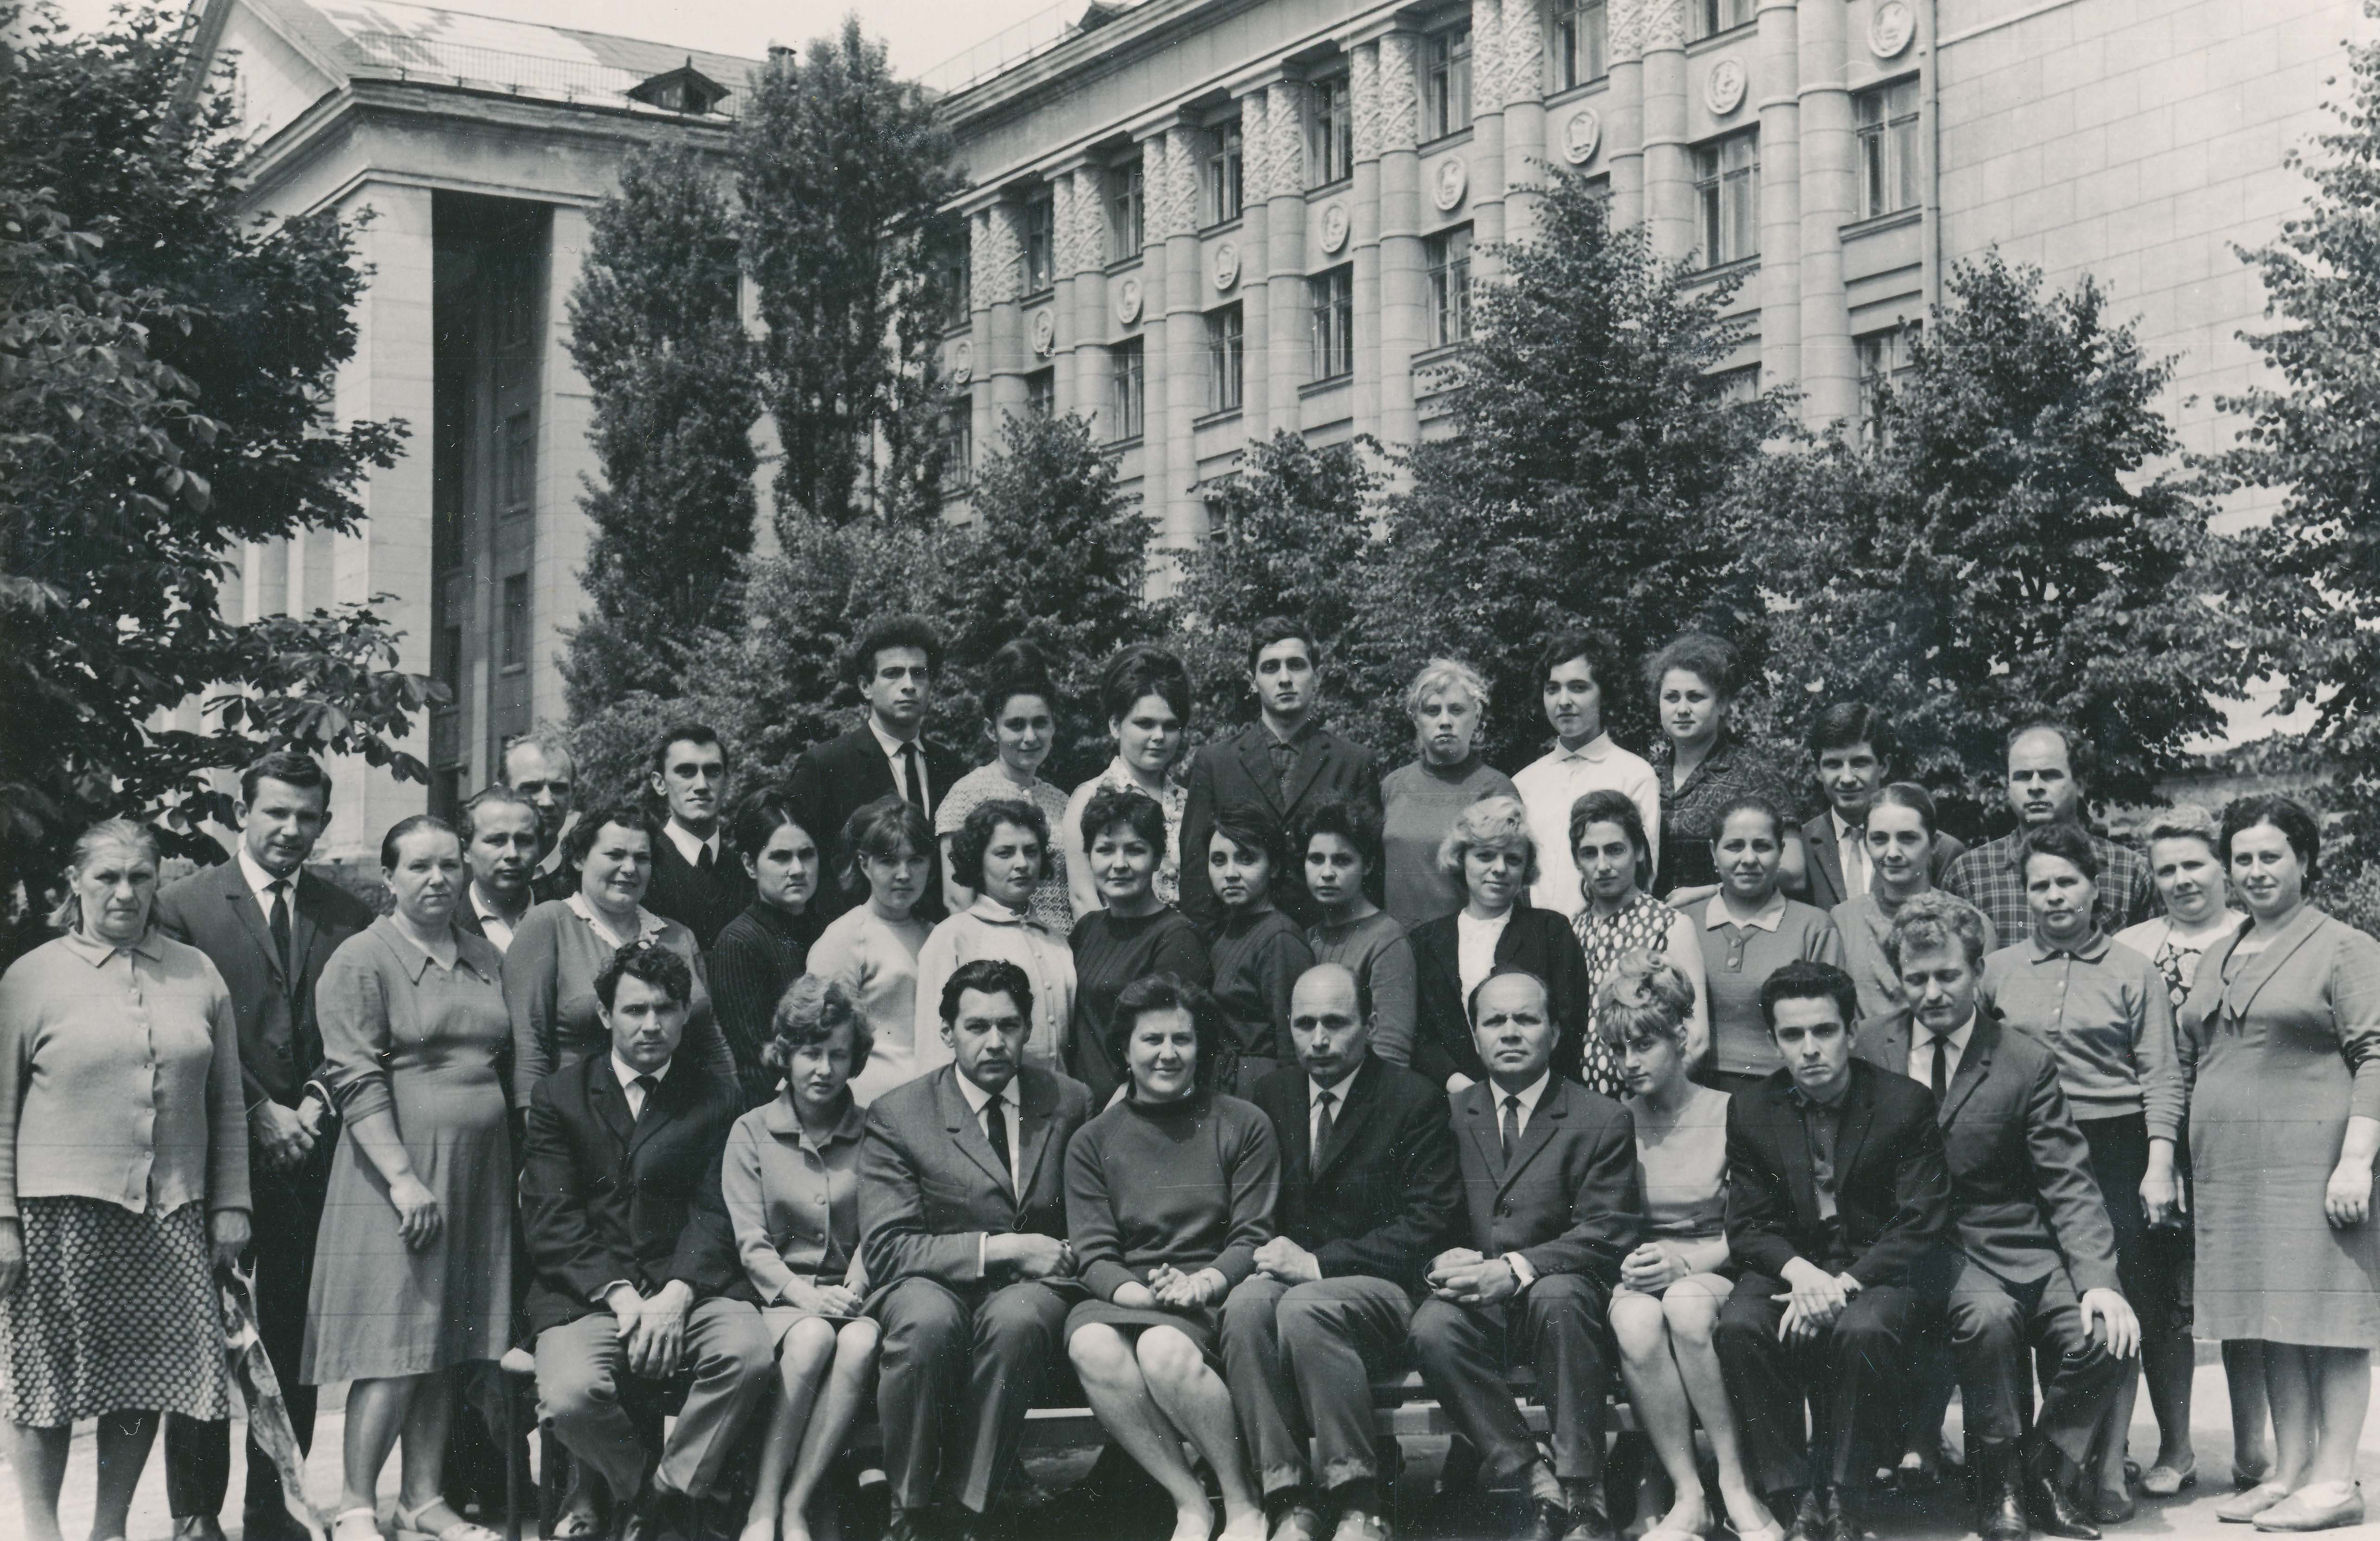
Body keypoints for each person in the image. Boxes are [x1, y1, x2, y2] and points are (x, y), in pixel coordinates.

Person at [0, 821, 250, 1541]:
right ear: (75, 882)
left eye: (140, 877)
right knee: (43, 1382)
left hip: (170, 1209)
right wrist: (3, 1222)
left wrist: (231, 1203)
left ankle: (109, 1530)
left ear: (158, 882)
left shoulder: (197, 973)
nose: (124, 892)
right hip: (56, 1215)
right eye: (107, 877)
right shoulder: (31, 978)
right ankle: (42, 1531)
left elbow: (227, 1103)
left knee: (146, 1378)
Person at [1860, 893, 2135, 1541]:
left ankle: (2039, 1469)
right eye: (1916, 978)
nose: (1932, 993)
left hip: (2013, 1241)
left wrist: (2098, 1280)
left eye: (1947, 975)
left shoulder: (2022, 1058)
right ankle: (2001, 1491)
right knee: (1987, 1318)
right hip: (1915, 1248)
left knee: (2107, 1335)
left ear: (1977, 971)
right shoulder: (1871, 1047)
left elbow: (2067, 1180)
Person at [153, 751, 374, 1541]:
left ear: (324, 822)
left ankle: (273, 1505)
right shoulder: (182, 907)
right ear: (244, 811)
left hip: (311, 1155)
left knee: (292, 1334)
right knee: (205, 1333)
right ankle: (195, 1512)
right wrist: (258, 1110)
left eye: (306, 816)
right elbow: (179, 1025)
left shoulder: (349, 914)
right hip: (213, 1152)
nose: (290, 829)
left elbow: (360, 1026)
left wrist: (311, 1103)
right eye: (275, 812)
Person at [301, 816, 513, 1541]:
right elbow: (355, 1076)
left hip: (477, 1175)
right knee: (392, 1346)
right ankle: (357, 1504)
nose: (438, 879)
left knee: (445, 1345)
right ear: (388, 878)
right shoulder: (363, 958)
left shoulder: (484, 956)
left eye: (450, 865)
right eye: (419, 866)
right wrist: (401, 1178)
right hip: (395, 1173)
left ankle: (421, 1500)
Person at [522, 940, 775, 1541]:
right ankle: (650, 1498)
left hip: (691, 1285)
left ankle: (668, 1490)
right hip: (589, 1293)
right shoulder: (560, 1096)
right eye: (634, 1010)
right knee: (569, 1395)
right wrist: (620, 1296)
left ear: (685, 1014)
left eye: (665, 1009)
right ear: (605, 1015)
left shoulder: (718, 1096)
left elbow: (718, 1211)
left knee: (748, 1356)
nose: (651, 1025)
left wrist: (678, 1293)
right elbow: (552, 1218)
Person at [2181, 795, 2380, 1533]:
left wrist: (2355, 1161)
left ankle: (2335, 1480)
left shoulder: (2344, 946)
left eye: (2271, 856)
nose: (2255, 870)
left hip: (2313, 1160)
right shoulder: (2219, 951)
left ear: (2304, 861)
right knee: (2272, 1320)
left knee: (2330, 1317)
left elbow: (2375, 1054)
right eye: (2242, 858)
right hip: (2234, 1169)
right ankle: (2290, 1469)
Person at [1979, 823, 2184, 1523]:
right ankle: (2043, 1466)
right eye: (2039, 885)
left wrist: (2159, 1163)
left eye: (2066, 881)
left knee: (2115, 1306)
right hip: (2020, 1149)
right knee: (2043, 1305)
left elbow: (2160, 1073)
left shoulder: (2133, 969)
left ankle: (2107, 1463)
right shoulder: (1998, 969)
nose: (2054, 895)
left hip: (2114, 1147)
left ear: (2095, 888)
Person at [1222, 963, 1464, 1541]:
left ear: (1371, 1024)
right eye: (1304, 1024)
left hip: (1384, 1288)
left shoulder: (1413, 1098)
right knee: (1244, 1308)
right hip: (1290, 1283)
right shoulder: (1272, 1094)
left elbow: (1429, 1223)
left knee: (1307, 1306)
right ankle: (1288, 1498)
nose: (1319, 1040)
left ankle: (1359, 1501)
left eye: (1336, 1023)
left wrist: (1319, 1266)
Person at [859, 959, 1096, 1541]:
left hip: (1033, 1290)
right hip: (931, 1283)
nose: (995, 1042)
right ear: (947, 1032)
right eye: (976, 1026)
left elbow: (1094, 1214)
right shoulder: (900, 1114)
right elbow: (887, 1248)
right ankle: (911, 1510)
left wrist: (1059, 1254)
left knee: (1018, 1320)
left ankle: (970, 1511)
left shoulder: (1069, 1102)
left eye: (1009, 1026)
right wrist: (1005, 1248)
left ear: (1028, 1030)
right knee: (926, 1323)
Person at [1712, 960, 1949, 1541]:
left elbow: (1919, 1222)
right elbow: (1747, 1225)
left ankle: (1846, 1498)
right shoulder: (1751, 1107)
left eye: (1824, 1030)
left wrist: (1840, 1285)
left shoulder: (1904, 1102)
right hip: (1794, 1266)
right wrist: (1802, 1275)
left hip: (1874, 1267)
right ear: (1774, 1041)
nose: (1810, 1048)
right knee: (1740, 1325)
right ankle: (1793, 1497)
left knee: (1862, 1330)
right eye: (1792, 1035)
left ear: (1852, 1029)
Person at [1412, 969, 1639, 1541]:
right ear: (1475, 1036)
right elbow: (1424, 1216)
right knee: (1432, 1327)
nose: (1510, 1032)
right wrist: (1439, 1264)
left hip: (1564, 1301)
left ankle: (1584, 1491)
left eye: (1526, 1019)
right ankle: (1534, 1477)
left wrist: (1515, 1269)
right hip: (1477, 1306)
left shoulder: (1600, 1117)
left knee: (1557, 1296)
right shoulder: (1446, 1113)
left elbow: (1607, 1228)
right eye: (1494, 1021)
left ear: (1555, 1033)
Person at [1064, 974, 1279, 1541]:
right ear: (1124, 1049)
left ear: (1201, 1046)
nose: (1167, 1053)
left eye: (1182, 1039)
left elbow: (1252, 1235)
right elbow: (1093, 1252)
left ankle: (1242, 1501)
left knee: (1162, 1348)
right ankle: (1189, 1501)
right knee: (1090, 1342)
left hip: (1213, 1292)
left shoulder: (1243, 1124)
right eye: (1151, 1039)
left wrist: (1201, 1285)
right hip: (1129, 1294)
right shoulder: (1092, 1140)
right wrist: (1141, 1295)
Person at [1592, 955, 1775, 1541]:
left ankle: (1735, 1483)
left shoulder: (1729, 1112)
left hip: (1717, 1262)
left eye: (1643, 1044)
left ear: (1679, 1037)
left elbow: (1751, 1225)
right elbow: (1604, 1219)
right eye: (1618, 1049)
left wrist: (1685, 1265)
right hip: (1644, 1272)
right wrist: (1633, 1261)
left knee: (1686, 1306)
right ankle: (1687, 1494)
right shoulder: (1613, 1121)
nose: (1629, 1062)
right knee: (1637, 1320)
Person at [2113, 804, 2254, 1497]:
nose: (2181, 880)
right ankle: (2175, 1446)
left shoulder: (2254, 937)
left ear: (2222, 867)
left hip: (2235, 1139)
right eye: (2166, 869)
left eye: (2194, 864)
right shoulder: (2130, 945)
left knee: (2244, 1296)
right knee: (2162, 1299)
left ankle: (2254, 1450)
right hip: (2154, 1142)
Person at [721, 977, 881, 1541]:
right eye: (811, 1053)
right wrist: (805, 1296)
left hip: (855, 1296)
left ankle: (797, 1502)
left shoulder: (874, 1132)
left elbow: (880, 1227)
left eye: (839, 1054)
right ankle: (763, 1504)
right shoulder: (750, 1132)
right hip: (779, 1301)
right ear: (785, 1055)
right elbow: (751, 1243)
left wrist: (854, 1290)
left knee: (859, 1342)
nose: (824, 1069)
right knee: (812, 1337)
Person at [504, 801, 731, 1114]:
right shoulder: (550, 923)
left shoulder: (678, 935)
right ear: (579, 859)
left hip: (679, 1119)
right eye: (615, 855)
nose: (630, 868)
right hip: (580, 1117)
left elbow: (712, 1042)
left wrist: (733, 1116)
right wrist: (538, 1128)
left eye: (642, 858)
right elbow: (529, 1044)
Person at [1181, 618, 1383, 936]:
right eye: (1271, 667)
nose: (1285, 679)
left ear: (1317, 677)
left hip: (1328, 941)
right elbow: (1196, 871)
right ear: (1253, 681)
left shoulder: (1354, 762)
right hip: (1239, 942)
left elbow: (1370, 871)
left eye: (1297, 665)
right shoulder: (1216, 763)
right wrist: (1209, 947)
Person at [787, 616, 967, 927]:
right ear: (865, 686)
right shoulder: (825, 765)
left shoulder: (951, 767)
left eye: (919, 674)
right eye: (893, 674)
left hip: (937, 936)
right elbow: (804, 864)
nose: (908, 685)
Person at [1410, 795, 1592, 1092]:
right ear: (1462, 859)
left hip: (1541, 1096)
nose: (1500, 869)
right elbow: (1422, 1038)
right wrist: (1465, 1091)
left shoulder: (1550, 930)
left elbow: (1569, 1025)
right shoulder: (1427, 941)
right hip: (1453, 1099)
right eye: (1485, 856)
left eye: (1513, 859)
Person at [1686, 797, 1846, 1096]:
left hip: (1785, 1093)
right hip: (1695, 1091)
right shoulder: (1684, 923)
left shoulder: (1813, 927)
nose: (1749, 859)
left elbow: (1829, 1026)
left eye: (1762, 846)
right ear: (1713, 852)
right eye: (1734, 846)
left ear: (1781, 852)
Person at [1943, 722, 2154, 945]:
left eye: (2050, 775)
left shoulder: (2130, 872)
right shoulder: (1969, 874)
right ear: (2009, 786)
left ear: (2080, 784)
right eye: (2023, 777)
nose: (2035, 787)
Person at [913, 799, 1077, 1078]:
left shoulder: (1056, 941)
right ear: (979, 861)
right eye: (1005, 853)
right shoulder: (953, 937)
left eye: (1031, 852)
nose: (1022, 864)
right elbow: (935, 1051)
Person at [1070, 787, 1211, 1109]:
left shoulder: (1177, 937)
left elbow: (1169, 1049)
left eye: (1135, 850)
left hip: (1136, 1112)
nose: (1119, 864)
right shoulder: (1087, 929)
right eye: (1105, 850)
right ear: (1089, 857)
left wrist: (1111, 1121)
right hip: (1080, 1111)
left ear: (1157, 858)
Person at [1513, 631, 1661, 923]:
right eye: (1553, 689)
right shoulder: (1523, 783)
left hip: (1610, 934)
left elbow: (1645, 875)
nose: (1564, 701)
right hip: (1535, 938)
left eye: (1578, 688)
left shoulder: (1635, 775)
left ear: (1603, 694)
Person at [1642, 633, 1803, 902]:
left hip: (1728, 920)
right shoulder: (1647, 777)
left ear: (1723, 704)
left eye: (1696, 697)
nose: (1682, 709)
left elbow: (1794, 871)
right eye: (1671, 697)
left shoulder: (1754, 776)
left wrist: (1710, 892)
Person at [1569, 790, 1709, 1095]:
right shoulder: (1571, 930)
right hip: (1581, 1110)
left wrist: (1644, 1104)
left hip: (1645, 1107)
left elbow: (1696, 1039)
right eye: (1590, 853)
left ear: (1640, 851)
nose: (1603, 865)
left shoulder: (1670, 925)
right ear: (1577, 860)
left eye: (1615, 850)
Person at [937, 640, 1075, 935]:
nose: (1030, 737)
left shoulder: (1063, 803)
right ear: (992, 730)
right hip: (997, 952)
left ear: (1054, 726)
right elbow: (958, 900)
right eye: (1016, 725)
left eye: (1040, 723)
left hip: (1063, 948)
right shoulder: (966, 796)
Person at [809, 797, 936, 1108]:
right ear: (865, 864)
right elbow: (821, 1035)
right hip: (867, 1104)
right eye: (889, 861)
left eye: (916, 860)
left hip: (931, 1098)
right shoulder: (845, 938)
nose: (904, 874)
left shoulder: (936, 935)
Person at [1831, 783, 1996, 1022]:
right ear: (1866, 843)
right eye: (1879, 839)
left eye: (1907, 838)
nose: (1893, 852)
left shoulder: (1972, 922)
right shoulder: (1842, 922)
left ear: (1934, 843)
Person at [710, 794, 832, 1110]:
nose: (798, 869)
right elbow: (757, 1066)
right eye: (781, 857)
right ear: (750, 865)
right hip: (781, 1111)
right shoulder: (739, 943)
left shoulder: (831, 930)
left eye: (807, 855)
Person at [1380, 659, 1518, 931]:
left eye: (1456, 710)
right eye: (1433, 711)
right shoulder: (1393, 786)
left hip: (1465, 940)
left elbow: (1512, 883)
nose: (1445, 721)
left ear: (1476, 717)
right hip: (1398, 942)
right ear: (1416, 720)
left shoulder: (1496, 789)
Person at [1064, 644, 1195, 916]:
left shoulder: (1190, 802)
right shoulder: (1089, 798)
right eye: (1145, 724)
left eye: (1170, 726)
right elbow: (1083, 899)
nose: (1159, 737)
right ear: (1115, 726)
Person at [1795, 705, 1965, 911]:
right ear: (1818, 771)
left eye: (1860, 763)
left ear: (1884, 766)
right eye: (1834, 765)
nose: (1847, 778)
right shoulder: (1799, 847)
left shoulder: (1943, 851)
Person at [1299, 799, 1419, 1070]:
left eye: (1342, 860)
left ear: (1368, 865)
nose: (1327, 873)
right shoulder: (1308, 938)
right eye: (1316, 859)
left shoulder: (1387, 940)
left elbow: (1392, 1052)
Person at [1206, 803, 1315, 1094]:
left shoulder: (1279, 937)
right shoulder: (1226, 932)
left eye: (1246, 859)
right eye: (1219, 861)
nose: (1230, 873)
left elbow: (1292, 1041)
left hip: (1260, 1087)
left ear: (1274, 867)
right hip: (1225, 1082)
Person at [642, 723, 753, 952]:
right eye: (686, 772)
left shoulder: (746, 871)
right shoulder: (644, 866)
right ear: (660, 784)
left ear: (727, 781)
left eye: (713, 772)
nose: (702, 785)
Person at [455, 784, 542, 952]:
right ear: (466, 850)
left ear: (539, 849)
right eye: (497, 841)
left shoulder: (565, 919)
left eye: (524, 841)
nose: (512, 854)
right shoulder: (444, 925)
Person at [500, 732, 579, 903]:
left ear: (573, 797)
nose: (547, 802)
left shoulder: (585, 882)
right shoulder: (467, 877)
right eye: (532, 788)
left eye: (558, 789)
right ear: (501, 794)